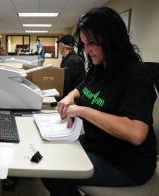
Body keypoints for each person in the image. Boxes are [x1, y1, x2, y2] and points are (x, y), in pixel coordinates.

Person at [42, 6, 157, 196]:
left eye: (92, 43)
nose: (87, 50)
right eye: (84, 43)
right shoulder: (100, 67)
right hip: (97, 145)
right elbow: (82, 88)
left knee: (53, 171)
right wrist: (70, 97)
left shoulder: (136, 75)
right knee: (50, 153)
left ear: (111, 40)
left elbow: (136, 132)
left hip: (125, 164)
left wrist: (81, 111)